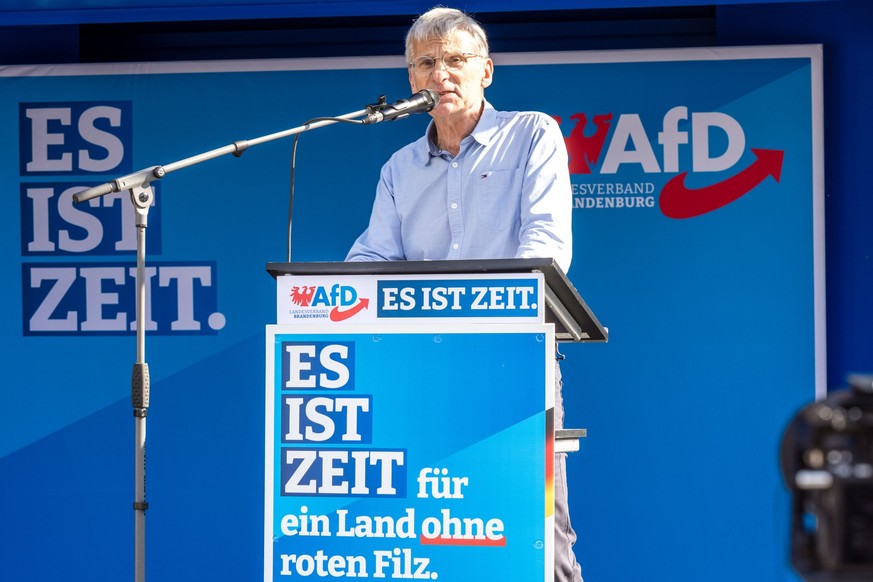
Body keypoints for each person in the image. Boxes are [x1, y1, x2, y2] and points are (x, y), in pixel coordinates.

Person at [346, 7, 581, 582]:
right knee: (436, 530)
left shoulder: (532, 135)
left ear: (487, 71)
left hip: (513, 359)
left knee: (538, 532)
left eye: (455, 60)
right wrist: (337, 292)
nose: (440, 74)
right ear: (410, 81)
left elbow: (546, 250)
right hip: (418, 368)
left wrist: (464, 304)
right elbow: (371, 259)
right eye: (425, 63)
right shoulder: (399, 167)